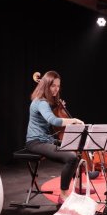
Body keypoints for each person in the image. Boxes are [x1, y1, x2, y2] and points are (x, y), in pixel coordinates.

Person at [26, 71, 84, 204]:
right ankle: (63, 195)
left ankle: (78, 184)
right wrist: (73, 120)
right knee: (71, 157)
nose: (56, 89)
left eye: (58, 86)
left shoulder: (44, 102)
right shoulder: (41, 102)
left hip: (46, 140)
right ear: (46, 85)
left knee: (75, 147)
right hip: (36, 142)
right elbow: (54, 121)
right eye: (53, 86)